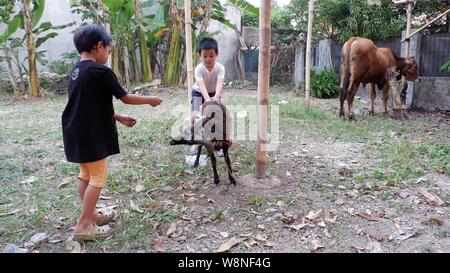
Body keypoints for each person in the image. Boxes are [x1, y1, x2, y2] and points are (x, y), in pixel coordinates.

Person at [62, 24, 162, 241]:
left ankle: (93, 215)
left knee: (86, 175)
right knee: (98, 176)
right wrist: (150, 101)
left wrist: (117, 117)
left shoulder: (76, 71)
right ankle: (83, 225)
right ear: (99, 46)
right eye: (108, 51)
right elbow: (125, 97)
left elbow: (88, 105)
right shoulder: (101, 71)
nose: (108, 55)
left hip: (75, 131)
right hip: (91, 134)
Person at [189, 37, 225, 157]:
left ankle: (216, 144)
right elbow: (201, 85)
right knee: (195, 116)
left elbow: (220, 83)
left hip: (213, 94)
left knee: (216, 118)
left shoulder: (220, 68)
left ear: (217, 54)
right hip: (199, 93)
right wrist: (207, 100)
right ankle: (196, 142)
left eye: (211, 55)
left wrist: (216, 97)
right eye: (205, 56)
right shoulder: (199, 69)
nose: (208, 59)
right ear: (200, 55)